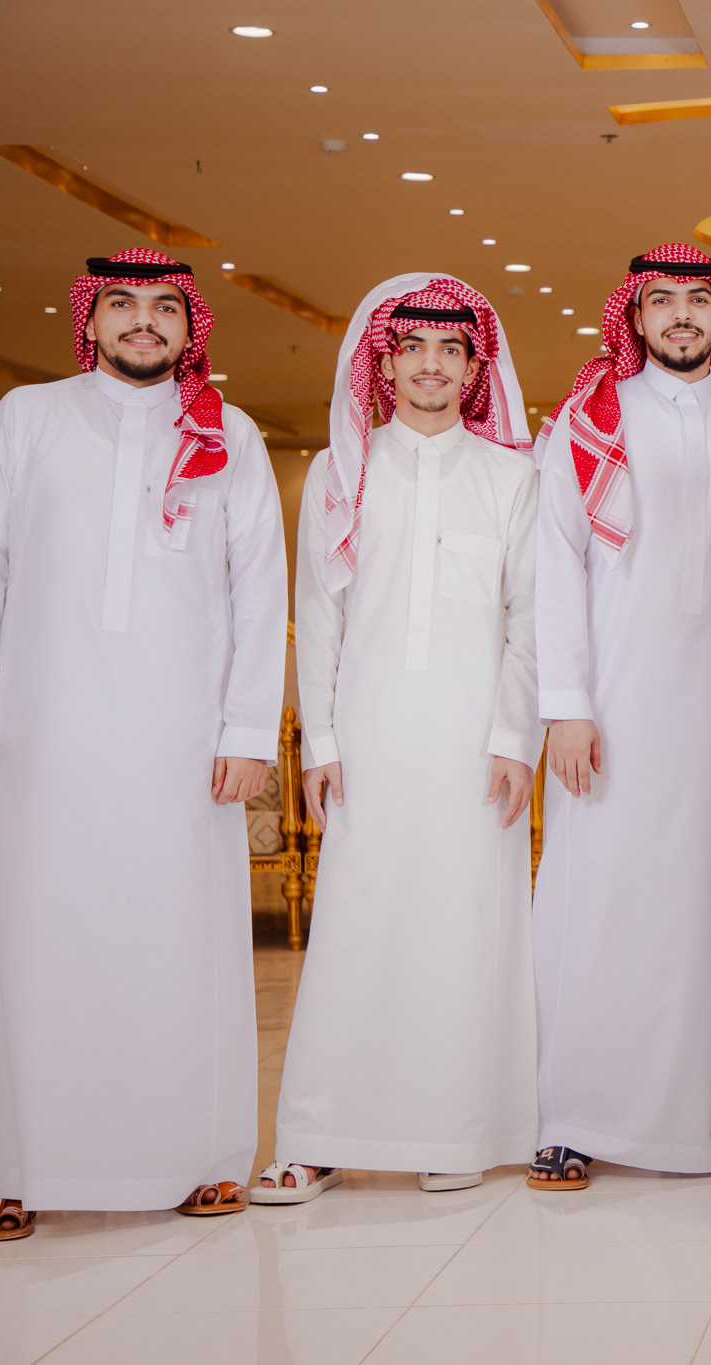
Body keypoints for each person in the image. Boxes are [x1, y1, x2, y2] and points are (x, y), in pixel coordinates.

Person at [0, 249, 286, 1240]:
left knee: (184, 947)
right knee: (31, 943)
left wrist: (248, 730)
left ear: (188, 324)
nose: (142, 321)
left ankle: (204, 1157)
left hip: (183, 746)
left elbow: (259, 590)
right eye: (122, 303)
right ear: (90, 318)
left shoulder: (229, 435)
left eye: (164, 306)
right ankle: (13, 1168)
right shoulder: (28, 418)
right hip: (40, 737)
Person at [253, 275, 540, 1204]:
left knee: (463, 929)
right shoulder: (344, 471)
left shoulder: (512, 477)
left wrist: (515, 736)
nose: (431, 365)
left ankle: (453, 1130)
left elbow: (531, 617)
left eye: (450, 350)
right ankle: (316, 1137)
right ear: (383, 363)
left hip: (475, 744)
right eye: (412, 347)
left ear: (475, 368)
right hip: (368, 739)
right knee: (353, 929)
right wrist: (320, 740)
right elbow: (318, 613)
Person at [531, 245, 711, 1188]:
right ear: (635, 316)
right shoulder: (587, 421)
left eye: (698, 300)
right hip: (615, 711)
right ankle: (576, 1115)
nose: (682, 315)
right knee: (604, 900)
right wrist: (566, 704)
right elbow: (554, 565)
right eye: (663, 300)